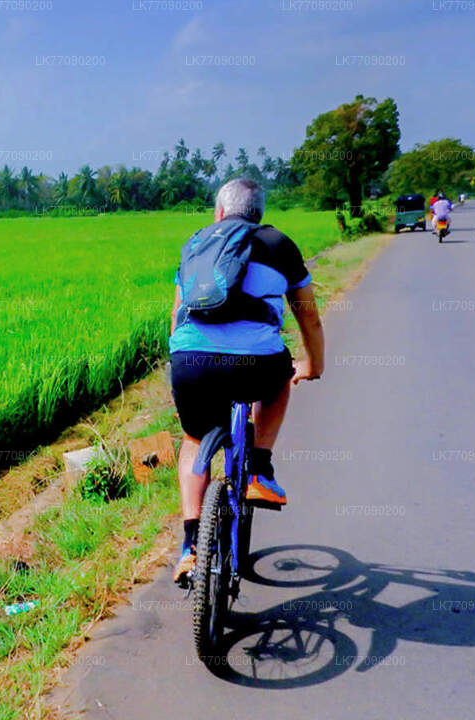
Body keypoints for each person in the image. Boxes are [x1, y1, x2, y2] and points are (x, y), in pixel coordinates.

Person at [169, 178, 325, 585]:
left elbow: (177, 314)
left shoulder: (196, 243)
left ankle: (189, 546)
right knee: (281, 379)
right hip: (256, 364)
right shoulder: (279, 244)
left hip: (190, 360)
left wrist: (182, 359)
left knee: (192, 439)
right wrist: (312, 364)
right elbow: (308, 316)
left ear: (219, 212)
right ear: (259, 213)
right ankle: (258, 469)